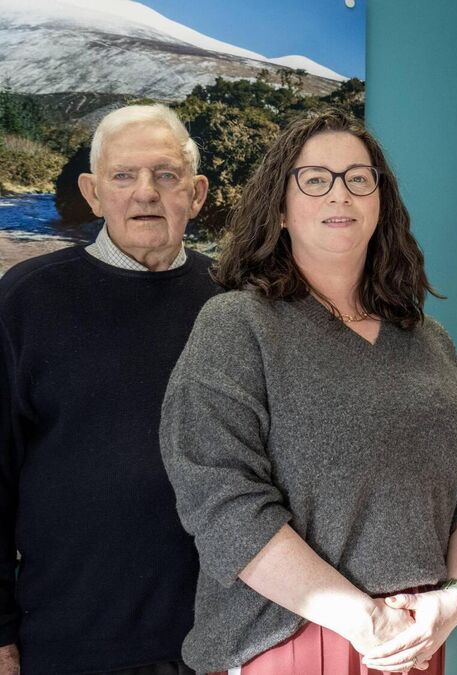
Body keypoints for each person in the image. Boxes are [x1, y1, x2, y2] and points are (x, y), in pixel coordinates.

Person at [158, 109, 457, 675]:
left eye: (358, 178)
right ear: (280, 208)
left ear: (380, 202)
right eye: (315, 179)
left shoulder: (429, 340)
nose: (339, 193)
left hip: (417, 639)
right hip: (288, 640)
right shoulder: (237, 326)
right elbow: (221, 501)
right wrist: (363, 620)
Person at [0, 104, 215, 674]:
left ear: (195, 194)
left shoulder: (235, 302)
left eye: (165, 175)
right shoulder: (25, 299)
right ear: (93, 194)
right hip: (71, 641)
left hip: (220, 641)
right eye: (123, 175)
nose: (145, 192)